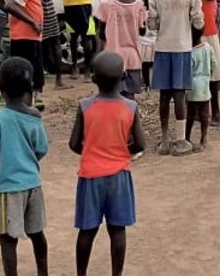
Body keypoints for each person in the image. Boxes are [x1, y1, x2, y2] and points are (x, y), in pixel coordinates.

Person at [69, 51, 145, 276]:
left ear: (93, 78)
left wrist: (92, 152)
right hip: (119, 176)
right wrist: (121, 152)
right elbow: (140, 144)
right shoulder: (130, 107)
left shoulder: (84, 106)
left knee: (87, 230)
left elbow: (74, 143)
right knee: (117, 230)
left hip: (90, 176)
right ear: (124, 76)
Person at [0, 57, 50, 276]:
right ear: (30, 91)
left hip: (8, 188)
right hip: (33, 185)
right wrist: (27, 162)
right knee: (37, 233)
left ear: (1, 91)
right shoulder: (35, 120)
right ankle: (43, 272)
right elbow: (41, 149)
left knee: (7, 238)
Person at [148, 0, 204, 155]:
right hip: (182, 48)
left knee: (164, 95)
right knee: (180, 94)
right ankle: (181, 139)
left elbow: (152, 24)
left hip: (163, 47)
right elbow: (198, 22)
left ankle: (164, 140)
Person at [0, 0, 46, 107]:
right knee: (28, 75)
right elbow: (9, 5)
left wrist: (15, 17)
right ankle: (26, 107)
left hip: (21, 34)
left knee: (24, 73)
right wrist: (32, 21)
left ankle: (25, 105)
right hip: (28, 35)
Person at [95, 0, 147, 101]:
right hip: (133, 58)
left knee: (111, 95)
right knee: (130, 97)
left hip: (111, 60)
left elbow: (101, 34)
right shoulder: (139, 6)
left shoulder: (106, 6)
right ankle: (129, 120)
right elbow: (142, 31)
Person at [34, 0, 64, 89]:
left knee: (39, 47)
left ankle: (40, 79)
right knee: (55, 44)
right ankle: (58, 80)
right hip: (49, 12)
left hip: (36, 14)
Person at [187, 29, 215, 152]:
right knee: (204, 114)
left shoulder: (190, 52)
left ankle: (187, 137)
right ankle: (204, 138)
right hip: (205, 84)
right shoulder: (208, 47)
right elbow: (213, 63)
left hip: (193, 85)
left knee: (190, 114)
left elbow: (188, 70)